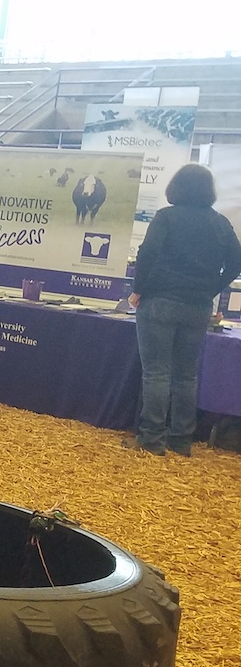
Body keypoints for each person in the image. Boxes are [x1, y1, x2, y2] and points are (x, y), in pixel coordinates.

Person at [127, 163, 241, 456]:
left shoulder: (167, 217)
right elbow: (236, 262)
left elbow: (148, 253)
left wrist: (138, 289)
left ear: (176, 187)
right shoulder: (220, 222)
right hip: (198, 305)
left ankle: (152, 439)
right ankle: (180, 440)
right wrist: (212, 287)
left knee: (157, 372)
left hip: (160, 300)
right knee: (186, 374)